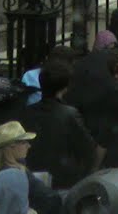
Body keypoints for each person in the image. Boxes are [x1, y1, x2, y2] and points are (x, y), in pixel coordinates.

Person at [20, 58, 97, 190]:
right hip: (63, 180)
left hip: (33, 178)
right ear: (65, 87)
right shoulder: (70, 114)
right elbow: (87, 149)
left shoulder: (27, 112)